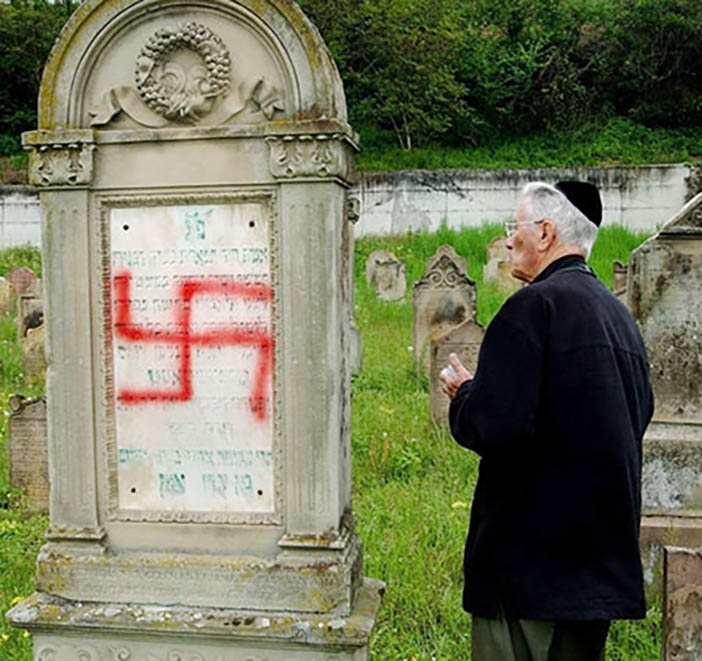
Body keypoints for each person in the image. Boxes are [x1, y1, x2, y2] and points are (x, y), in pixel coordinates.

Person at [440, 181, 654, 661]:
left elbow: (497, 426)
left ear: (545, 232)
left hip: (528, 574)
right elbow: (634, 419)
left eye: (513, 228)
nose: (508, 239)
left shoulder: (532, 308)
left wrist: (464, 395)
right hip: (595, 573)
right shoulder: (620, 319)